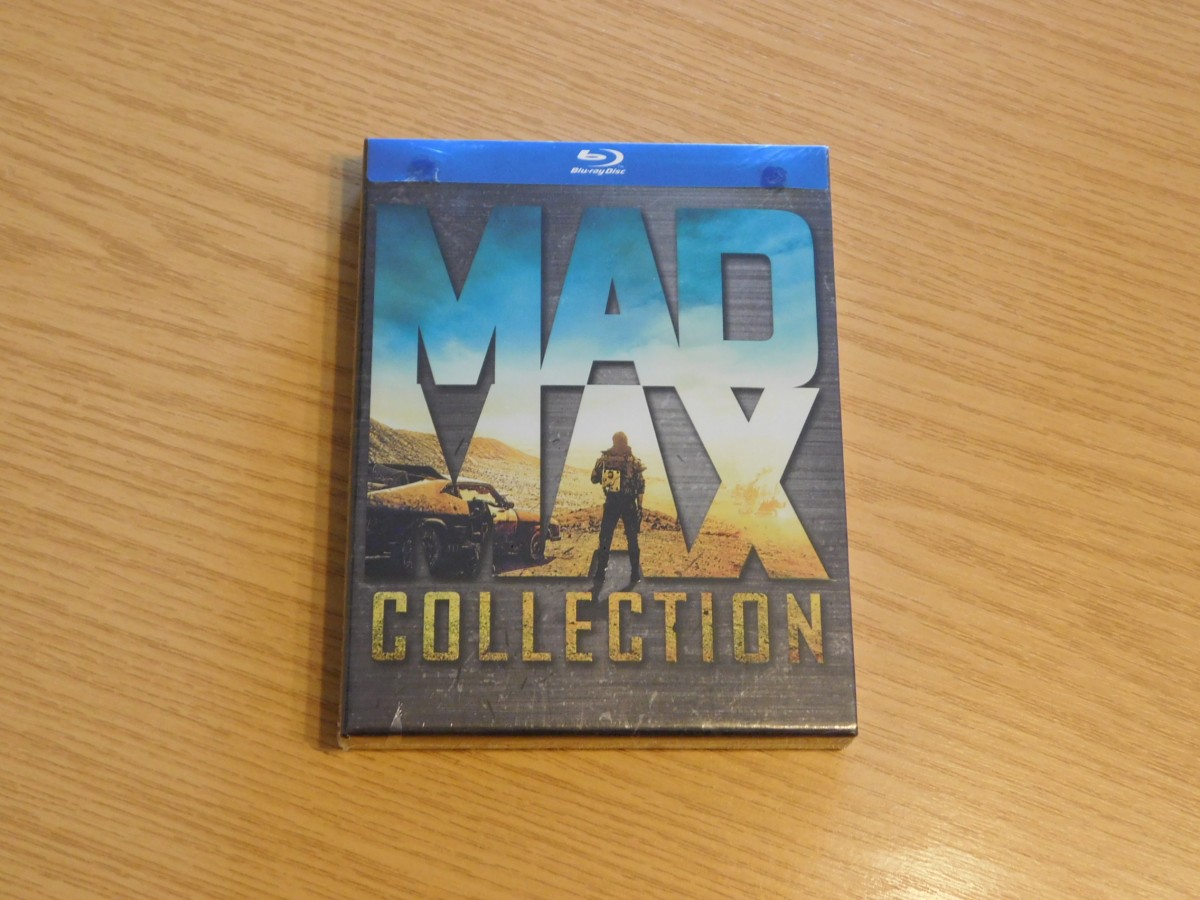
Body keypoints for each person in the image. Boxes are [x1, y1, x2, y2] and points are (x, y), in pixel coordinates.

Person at [590, 431, 646, 590]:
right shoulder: (634, 461)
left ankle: (600, 573)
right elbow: (641, 487)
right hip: (629, 504)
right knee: (632, 539)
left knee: (605, 537)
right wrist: (640, 507)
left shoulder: (605, 460)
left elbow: (594, 479)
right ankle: (634, 573)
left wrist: (600, 469)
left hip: (612, 503)